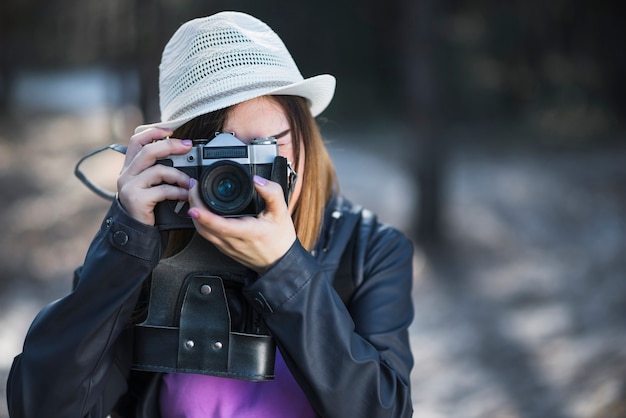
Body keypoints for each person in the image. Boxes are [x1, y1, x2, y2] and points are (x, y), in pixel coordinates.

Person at [7, 11, 414, 418]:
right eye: (220, 156)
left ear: (306, 134)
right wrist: (126, 242)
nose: (238, 177)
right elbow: (41, 406)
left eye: (266, 148)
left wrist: (285, 269)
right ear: (177, 156)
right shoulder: (152, 244)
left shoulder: (368, 252)